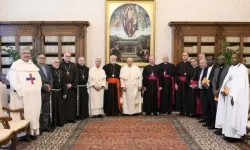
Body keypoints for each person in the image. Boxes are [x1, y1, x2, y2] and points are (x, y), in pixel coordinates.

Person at [7, 48, 42, 138]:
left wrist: (37, 89)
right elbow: (13, 80)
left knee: (34, 112)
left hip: (34, 96)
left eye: (28, 53)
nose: (27, 55)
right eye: (24, 53)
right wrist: (22, 91)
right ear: (20, 54)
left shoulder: (32, 65)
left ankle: (33, 131)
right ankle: (22, 133)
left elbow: (38, 80)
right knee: (23, 114)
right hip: (21, 96)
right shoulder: (16, 65)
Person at [216, 54, 249, 142]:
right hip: (227, 95)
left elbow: (241, 86)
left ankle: (235, 136)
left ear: (240, 59)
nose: (233, 59)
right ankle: (228, 134)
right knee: (228, 116)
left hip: (236, 98)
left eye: (235, 58)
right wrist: (223, 90)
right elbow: (228, 80)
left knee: (235, 116)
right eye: (232, 58)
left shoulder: (242, 69)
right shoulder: (231, 68)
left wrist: (235, 97)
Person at [36, 53, 53, 132]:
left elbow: (51, 78)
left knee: (46, 109)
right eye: (40, 58)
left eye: (43, 58)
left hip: (47, 92)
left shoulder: (47, 67)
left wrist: (50, 86)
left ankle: (45, 126)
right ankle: (39, 127)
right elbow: (36, 81)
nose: (42, 59)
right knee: (39, 110)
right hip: (40, 91)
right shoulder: (35, 68)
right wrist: (45, 87)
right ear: (37, 59)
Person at [212, 55, 229, 134]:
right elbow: (214, 80)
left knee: (223, 110)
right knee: (217, 109)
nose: (220, 61)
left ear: (224, 60)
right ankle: (219, 126)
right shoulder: (216, 69)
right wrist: (214, 90)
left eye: (221, 59)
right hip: (216, 93)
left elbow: (226, 82)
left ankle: (224, 128)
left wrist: (219, 90)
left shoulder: (228, 69)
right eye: (218, 59)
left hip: (223, 93)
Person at [59, 52, 78, 122]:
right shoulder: (60, 65)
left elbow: (76, 76)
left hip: (72, 87)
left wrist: (72, 84)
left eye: (69, 56)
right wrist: (64, 85)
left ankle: (72, 118)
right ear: (63, 57)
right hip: (63, 88)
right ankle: (64, 118)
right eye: (66, 56)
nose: (68, 57)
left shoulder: (74, 65)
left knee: (72, 103)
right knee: (64, 104)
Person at [50, 58, 67, 127]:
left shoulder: (61, 71)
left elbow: (64, 83)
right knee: (53, 107)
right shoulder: (50, 71)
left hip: (59, 92)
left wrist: (65, 92)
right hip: (52, 92)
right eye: (55, 62)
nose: (57, 64)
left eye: (58, 62)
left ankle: (60, 122)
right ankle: (53, 123)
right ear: (52, 63)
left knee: (59, 107)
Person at [197, 59, 208, 123]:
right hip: (200, 89)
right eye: (200, 63)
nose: (201, 64)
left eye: (203, 63)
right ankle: (203, 117)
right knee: (202, 105)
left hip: (205, 90)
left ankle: (206, 118)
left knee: (205, 105)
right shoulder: (200, 70)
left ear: (206, 64)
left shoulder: (207, 71)